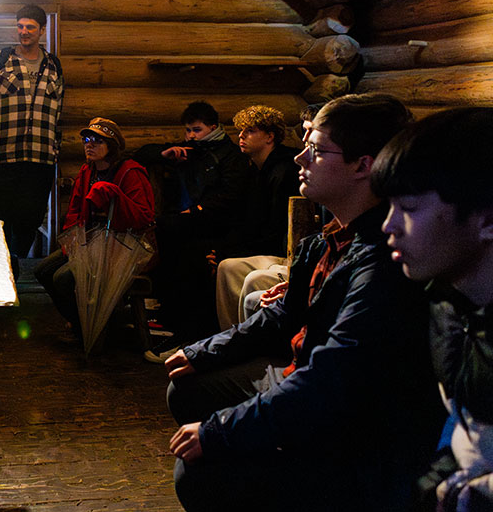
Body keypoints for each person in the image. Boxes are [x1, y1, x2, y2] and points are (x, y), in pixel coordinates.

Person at [165, 94, 445, 511]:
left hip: (353, 426)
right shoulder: (328, 238)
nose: (299, 159)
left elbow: (334, 377)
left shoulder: (384, 258)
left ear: (363, 164)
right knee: (186, 385)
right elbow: (286, 312)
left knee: (199, 470)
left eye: (314, 149)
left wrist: (219, 431)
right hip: (308, 379)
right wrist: (203, 349)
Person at [371, 108, 493, 511]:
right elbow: (458, 430)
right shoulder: (445, 302)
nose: (389, 225)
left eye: (408, 206)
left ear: (487, 218)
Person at [133, 101, 252, 343]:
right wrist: (164, 154)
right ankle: (168, 318)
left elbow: (230, 197)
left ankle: (179, 327)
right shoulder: (188, 150)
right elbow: (141, 154)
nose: (190, 136)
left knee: (172, 238)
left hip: (214, 223)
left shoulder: (229, 155)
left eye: (196, 130)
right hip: (188, 221)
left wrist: (196, 211)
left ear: (213, 127)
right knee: (163, 234)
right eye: (187, 130)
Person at [34, 117, 154, 338]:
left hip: (121, 247)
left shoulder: (130, 172)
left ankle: (93, 328)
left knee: (63, 278)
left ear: (112, 146)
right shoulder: (87, 171)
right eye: (86, 139)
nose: (89, 144)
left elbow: (143, 217)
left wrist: (113, 194)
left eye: (98, 141)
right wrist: (71, 243)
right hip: (89, 241)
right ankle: (81, 321)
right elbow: (74, 211)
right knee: (42, 271)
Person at [0, 4, 64, 259]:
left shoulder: (53, 66)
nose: (24, 32)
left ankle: (16, 265)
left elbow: (58, 113)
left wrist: (54, 151)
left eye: (30, 27)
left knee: (29, 222)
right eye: (20, 26)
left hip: (39, 161)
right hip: (1, 159)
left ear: (42, 30)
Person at [210, 105, 301, 333]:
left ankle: (247, 341)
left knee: (246, 273)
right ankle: (230, 335)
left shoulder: (285, 171)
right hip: (264, 246)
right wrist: (224, 250)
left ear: (270, 137)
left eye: (249, 131)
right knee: (226, 267)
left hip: (281, 250)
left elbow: (274, 228)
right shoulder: (254, 170)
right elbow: (247, 221)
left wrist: (231, 249)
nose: (241, 136)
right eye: (241, 130)